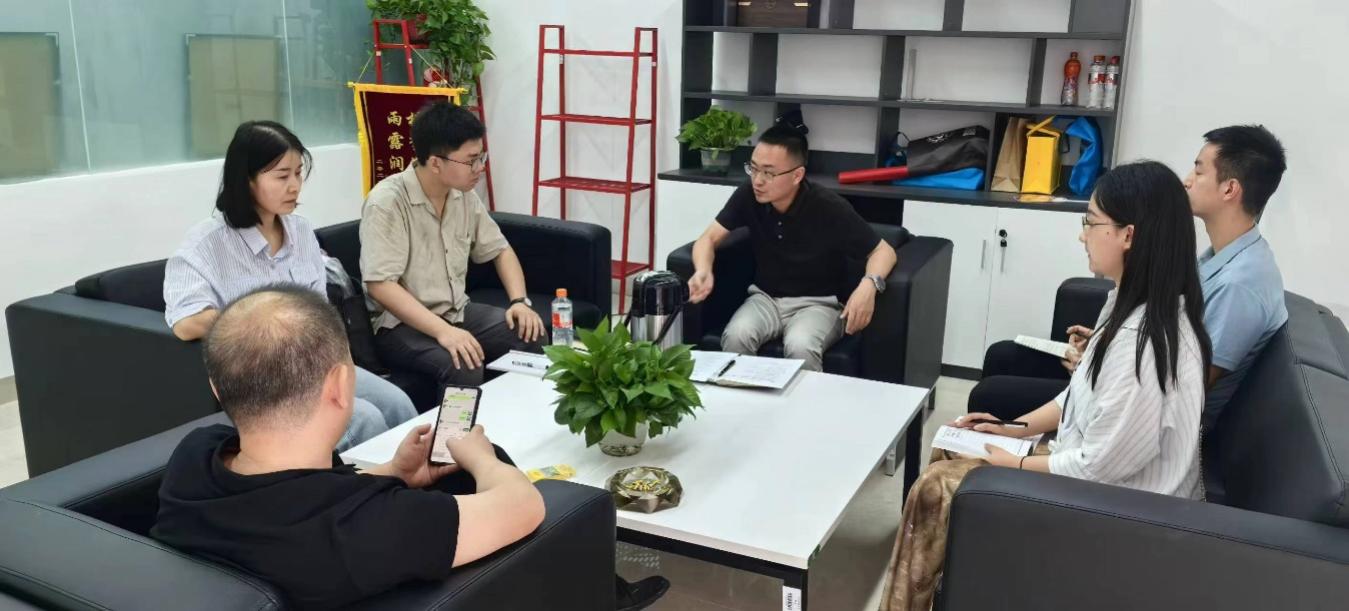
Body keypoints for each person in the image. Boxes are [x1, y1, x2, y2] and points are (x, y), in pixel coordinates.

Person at [153, 286, 669, 611]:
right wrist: (479, 456)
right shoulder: (376, 529)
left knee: (451, 476)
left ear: (218, 388)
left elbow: (295, 500)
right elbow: (524, 506)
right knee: (488, 472)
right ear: (341, 386)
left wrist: (394, 473)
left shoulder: (195, 459)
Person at [880, 161, 1213, 611]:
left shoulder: (1145, 344)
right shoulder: (1127, 302)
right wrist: (1011, 430)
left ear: (1128, 235)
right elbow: (1076, 396)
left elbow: (1098, 469)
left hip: (1122, 518)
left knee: (936, 489)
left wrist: (1014, 464)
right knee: (954, 442)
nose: (1082, 235)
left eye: (1091, 222)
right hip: (1096, 480)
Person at [968, 125, 1288, 432]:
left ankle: (994, 456)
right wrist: (1105, 343)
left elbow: (1184, 389)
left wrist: (1104, 362)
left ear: (1230, 189)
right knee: (1003, 355)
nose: (1187, 181)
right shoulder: (1222, 256)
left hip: (1154, 412)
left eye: (1199, 171)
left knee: (991, 394)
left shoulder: (1239, 285)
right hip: (1135, 372)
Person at [164, 120, 416, 451]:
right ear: (246, 179)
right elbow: (186, 323)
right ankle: (368, 483)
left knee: (399, 405)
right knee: (364, 419)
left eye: (298, 174)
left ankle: (410, 480)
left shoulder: (300, 231)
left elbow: (320, 309)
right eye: (282, 176)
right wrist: (267, 322)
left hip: (318, 365)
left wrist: (343, 365)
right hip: (263, 380)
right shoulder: (206, 244)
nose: (295, 186)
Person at [361, 101, 545, 390]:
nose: (479, 168)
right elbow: (380, 285)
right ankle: (456, 423)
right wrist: (443, 332)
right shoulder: (387, 202)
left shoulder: (463, 195)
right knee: (463, 362)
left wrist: (519, 302)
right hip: (399, 326)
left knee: (531, 333)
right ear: (436, 163)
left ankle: (512, 417)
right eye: (471, 160)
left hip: (455, 311)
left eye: (481, 157)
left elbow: (500, 250)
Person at [685, 124, 897, 371]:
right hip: (765, 298)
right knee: (736, 336)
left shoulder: (827, 206)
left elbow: (884, 252)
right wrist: (703, 269)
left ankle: (807, 399)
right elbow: (707, 239)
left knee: (800, 346)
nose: (758, 180)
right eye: (753, 168)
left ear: (797, 175)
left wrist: (868, 286)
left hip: (818, 304)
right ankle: (749, 396)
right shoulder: (748, 195)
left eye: (768, 173)